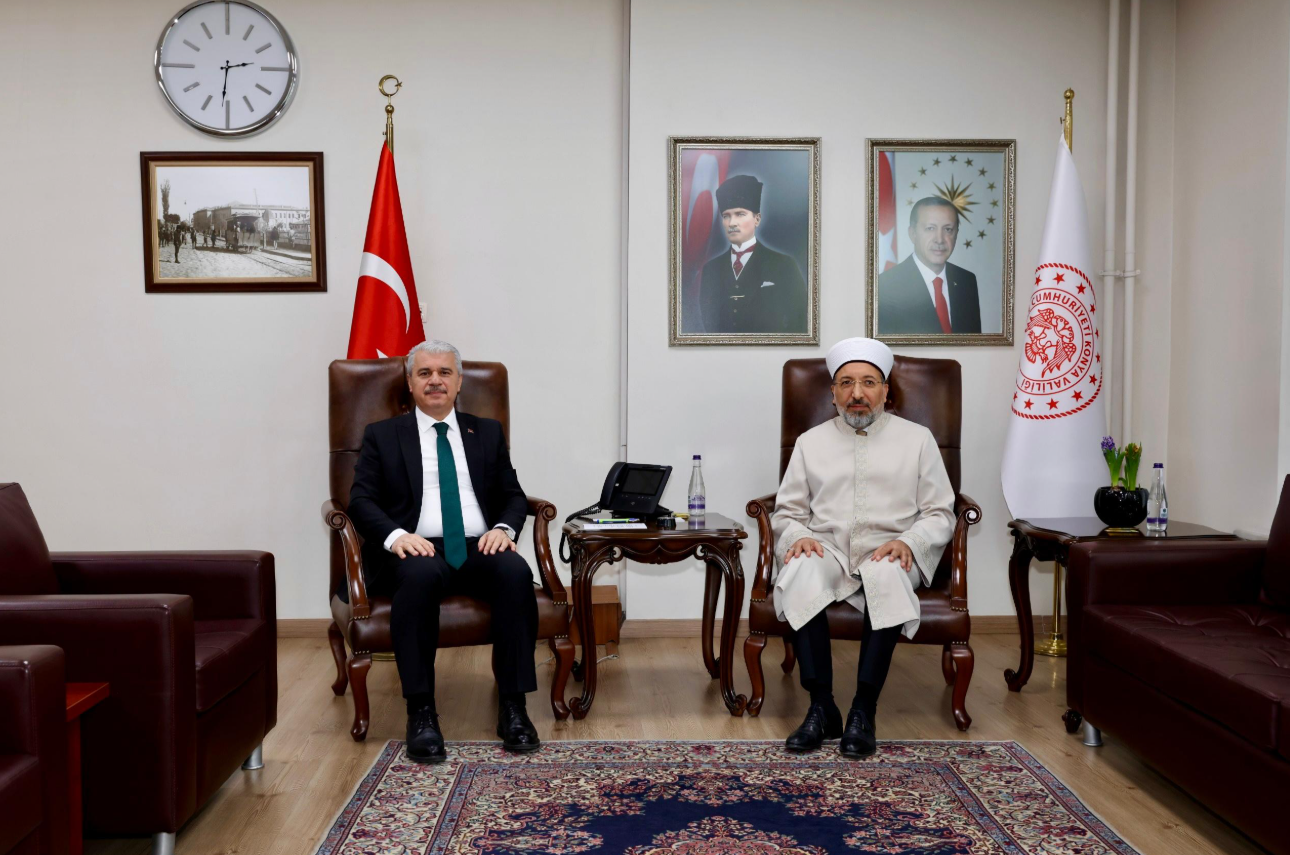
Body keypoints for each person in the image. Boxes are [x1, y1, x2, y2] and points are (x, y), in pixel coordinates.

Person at [347, 340, 540, 763]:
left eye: (444, 372)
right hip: (416, 547)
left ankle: (513, 707)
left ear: (459, 382)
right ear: (410, 383)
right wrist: (396, 536)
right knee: (419, 576)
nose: (435, 380)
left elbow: (512, 494)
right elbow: (360, 500)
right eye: (424, 373)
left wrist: (504, 528)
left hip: (477, 543)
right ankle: (421, 713)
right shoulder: (382, 435)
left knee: (514, 571)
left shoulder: (485, 431)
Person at [772, 337, 954, 757]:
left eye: (869, 382)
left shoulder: (918, 439)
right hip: (829, 549)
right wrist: (798, 536)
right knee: (800, 569)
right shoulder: (810, 442)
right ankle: (821, 707)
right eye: (847, 383)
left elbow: (940, 511)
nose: (857, 393)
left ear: (886, 391)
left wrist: (909, 541)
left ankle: (863, 711)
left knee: (887, 574)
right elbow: (787, 511)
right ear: (832, 392)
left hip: (890, 549)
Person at [698, 174, 807, 335]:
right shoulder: (711, 269)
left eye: (740, 214)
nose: (732, 223)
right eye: (726, 216)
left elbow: (800, 320)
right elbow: (709, 322)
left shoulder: (784, 265)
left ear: (757, 219)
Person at [877, 197, 981, 335]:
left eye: (948, 229)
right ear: (912, 234)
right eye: (930, 228)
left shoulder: (966, 281)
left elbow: (973, 344)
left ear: (956, 234)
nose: (939, 239)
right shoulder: (886, 285)